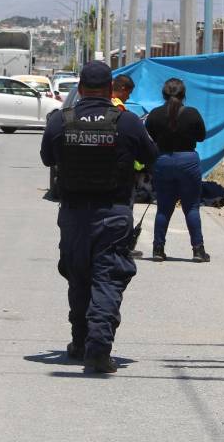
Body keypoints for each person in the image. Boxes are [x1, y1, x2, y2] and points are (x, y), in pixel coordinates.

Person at [40, 61, 158, 373]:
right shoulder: (128, 122)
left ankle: (80, 342)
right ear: (110, 90)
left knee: (79, 277)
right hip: (113, 213)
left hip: (74, 214)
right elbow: (150, 157)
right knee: (107, 279)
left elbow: (47, 158)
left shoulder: (60, 121)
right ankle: (97, 348)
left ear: (79, 89)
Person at [145, 78, 209, 263]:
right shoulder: (192, 113)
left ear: (163, 94)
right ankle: (198, 250)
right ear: (184, 95)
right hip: (188, 161)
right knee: (191, 207)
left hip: (163, 161)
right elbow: (202, 136)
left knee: (164, 208)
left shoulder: (155, 115)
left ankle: (158, 249)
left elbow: (150, 137)